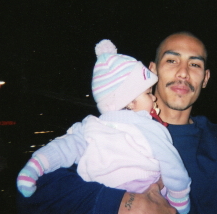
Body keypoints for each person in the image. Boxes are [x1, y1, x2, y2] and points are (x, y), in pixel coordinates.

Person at [17, 32, 217, 214]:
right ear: (152, 71)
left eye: (195, 64)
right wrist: (121, 203)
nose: (183, 72)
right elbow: (32, 196)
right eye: (172, 60)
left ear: (205, 78)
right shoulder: (110, 129)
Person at [17, 39, 191, 214]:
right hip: (145, 190)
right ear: (130, 102)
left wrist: (34, 167)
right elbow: (173, 165)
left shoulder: (89, 126)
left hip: (104, 195)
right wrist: (179, 199)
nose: (153, 98)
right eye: (147, 93)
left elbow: (62, 148)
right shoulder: (149, 128)